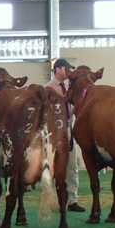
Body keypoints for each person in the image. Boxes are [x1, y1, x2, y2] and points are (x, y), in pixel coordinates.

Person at [44, 58, 85, 212]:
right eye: (66, 69)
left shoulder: (69, 87)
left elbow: (73, 108)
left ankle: (72, 199)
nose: (69, 72)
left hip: (68, 130)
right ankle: (55, 200)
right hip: (53, 131)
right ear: (58, 69)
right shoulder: (48, 88)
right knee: (54, 167)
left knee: (72, 165)